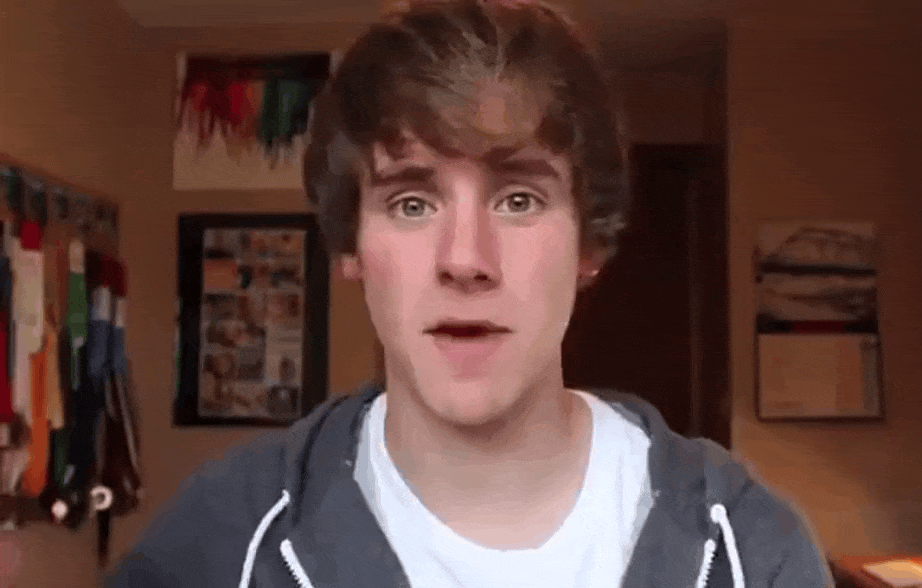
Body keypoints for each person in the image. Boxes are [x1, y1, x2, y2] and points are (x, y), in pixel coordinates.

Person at [106, 1, 833, 586]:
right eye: (412, 204)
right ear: (353, 246)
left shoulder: (749, 547)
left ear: (589, 243)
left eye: (518, 200)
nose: (465, 261)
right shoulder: (219, 543)